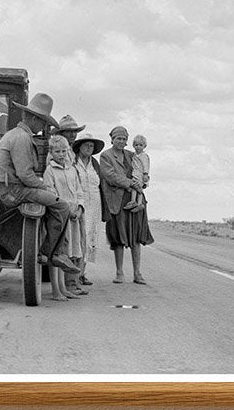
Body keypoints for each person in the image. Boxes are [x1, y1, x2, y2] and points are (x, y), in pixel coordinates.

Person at [0, 93, 78, 273]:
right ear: (31, 118)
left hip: (10, 188)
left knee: (52, 201)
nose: (44, 126)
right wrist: (45, 187)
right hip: (14, 191)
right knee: (61, 206)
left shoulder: (15, 134)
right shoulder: (22, 138)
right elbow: (25, 175)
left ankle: (49, 250)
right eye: (42, 121)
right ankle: (51, 253)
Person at [99, 125, 154, 284]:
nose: (121, 141)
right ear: (112, 139)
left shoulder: (132, 155)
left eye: (124, 139)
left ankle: (137, 273)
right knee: (118, 238)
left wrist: (144, 181)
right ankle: (119, 272)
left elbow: (142, 168)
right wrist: (131, 183)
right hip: (117, 202)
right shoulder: (106, 156)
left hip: (135, 200)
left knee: (136, 236)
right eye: (118, 138)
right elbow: (110, 176)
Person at [42, 134, 85, 299]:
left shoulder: (72, 169)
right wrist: (67, 210)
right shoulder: (50, 171)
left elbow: (79, 190)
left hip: (74, 216)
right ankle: (55, 290)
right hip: (59, 217)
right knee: (57, 253)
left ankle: (64, 288)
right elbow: (51, 193)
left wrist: (79, 208)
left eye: (64, 151)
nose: (61, 154)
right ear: (51, 152)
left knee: (67, 252)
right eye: (57, 151)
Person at [72, 132, 105, 285]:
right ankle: (73, 275)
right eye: (86, 145)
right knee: (78, 237)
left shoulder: (95, 164)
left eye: (91, 146)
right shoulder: (73, 162)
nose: (89, 148)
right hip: (79, 201)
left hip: (95, 203)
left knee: (91, 236)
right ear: (79, 147)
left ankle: (82, 273)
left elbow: (101, 184)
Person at [125, 134, 151, 211]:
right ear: (133, 145)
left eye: (140, 145)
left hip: (140, 174)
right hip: (135, 172)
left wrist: (145, 174)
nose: (138, 147)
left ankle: (136, 202)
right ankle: (136, 202)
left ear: (144, 146)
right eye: (136, 145)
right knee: (136, 187)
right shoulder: (134, 155)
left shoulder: (144, 156)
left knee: (136, 187)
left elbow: (146, 165)